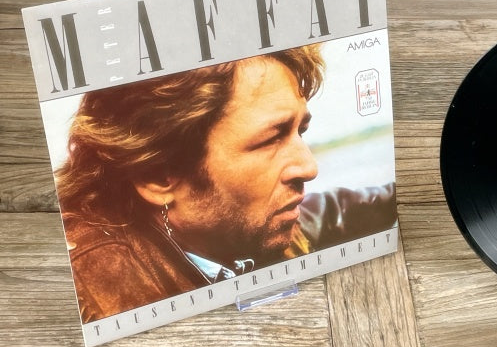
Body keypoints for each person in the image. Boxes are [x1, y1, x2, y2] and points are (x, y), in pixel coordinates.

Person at [57, 44, 396, 323]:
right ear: (157, 176)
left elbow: (338, 211)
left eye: (300, 132)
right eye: (271, 139)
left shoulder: (248, 228)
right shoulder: (104, 302)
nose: (309, 167)